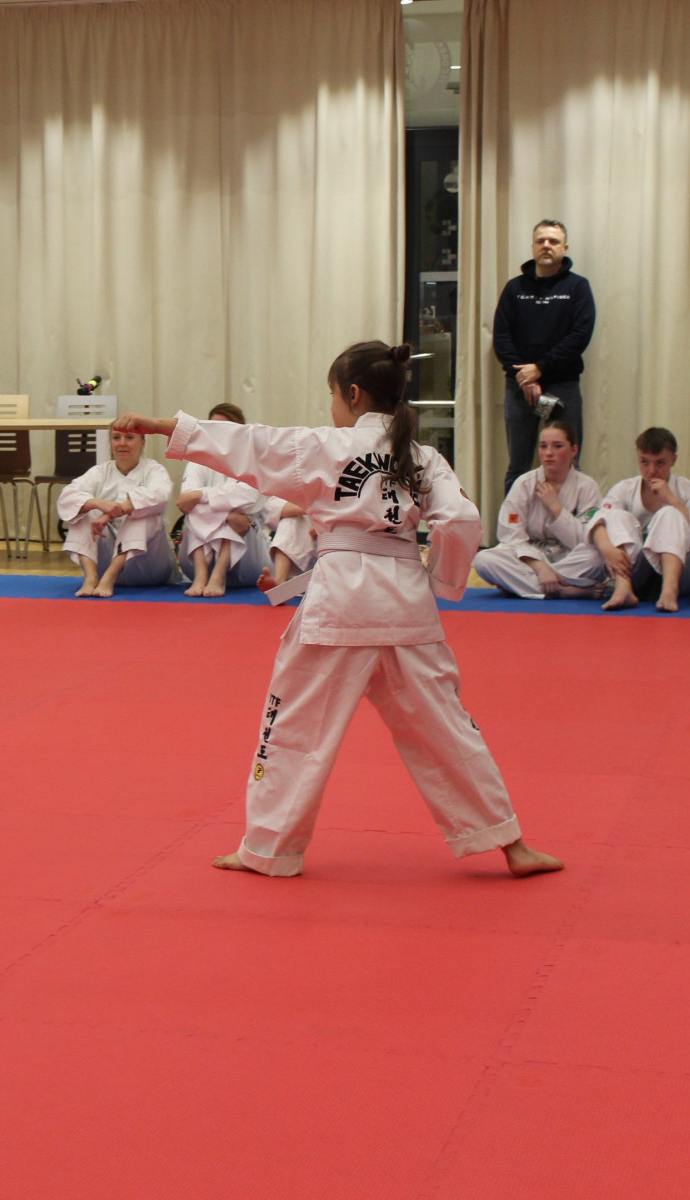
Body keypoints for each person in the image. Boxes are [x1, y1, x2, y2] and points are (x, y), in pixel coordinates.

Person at [113, 341, 562, 880]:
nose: (331, 406)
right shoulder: (424, 456)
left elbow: (248, 444)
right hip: (408, 608)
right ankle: (509, 842)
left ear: (352, 394)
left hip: (340, 604)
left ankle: (269, 850)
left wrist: (163, 426)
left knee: (295, 727)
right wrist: (443, 582)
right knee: (448, 728)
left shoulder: (325, 446)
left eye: (332, 394)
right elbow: (463, 521)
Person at [493, 220, 595, 493]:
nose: (546, 246)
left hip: (562, 387)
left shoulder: (578, 287)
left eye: (553, 241)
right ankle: (515, 520)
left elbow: (579, 336)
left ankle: (568, 520)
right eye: (541, 241)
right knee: (518, 466)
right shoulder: (515, 289)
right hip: (520, 388)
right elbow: (501, 337)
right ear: (533, 246)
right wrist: (525, 377)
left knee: (566, 463)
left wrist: (539, 368)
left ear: (565, 248)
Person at [569, 427, 690, 613]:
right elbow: (599, 519)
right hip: (636, 573)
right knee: (616, 515)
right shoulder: (625, 489)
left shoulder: (689, 490)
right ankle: (623, 588)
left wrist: (672, 500)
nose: (651, 471)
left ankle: (669, 591)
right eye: (645, 462)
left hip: (683, 575)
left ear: (673, 460)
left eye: (660, 463)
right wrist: (607, 548)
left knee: (670, 513)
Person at [472, 417, 603, 599]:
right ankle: (563, 590)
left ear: (574, 450)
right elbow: (511, 535)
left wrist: (556, 508)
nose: (548, 453)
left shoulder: (587, 487)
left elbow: (584, 539)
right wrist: (539, 567)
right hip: (532, 558)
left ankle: (527, 586)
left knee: (596, 557)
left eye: (557, 446)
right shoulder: (524, 484)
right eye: (543, 446)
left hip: (568, 557)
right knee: (484, 560)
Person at [56, 428, 175, 598]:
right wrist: (97, 503)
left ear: (143, 442)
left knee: (142, 511)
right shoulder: (100, 472)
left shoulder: (154, 470)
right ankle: (91, 577)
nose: (122, 443)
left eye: (129, 437)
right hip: (104, 564)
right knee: (83, 510)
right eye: (116, 437)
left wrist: (110, 514)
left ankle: (110, 577)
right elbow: (67, 497)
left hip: (150, 567)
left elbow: (159, 495)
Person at [175, 404, 272, 597]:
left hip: (249, 564)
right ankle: (201, 575)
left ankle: (218, 574)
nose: (217, 432)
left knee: (236, 516)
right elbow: (185, 500)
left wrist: (202, 496)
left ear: (240, 432)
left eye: (224, 428)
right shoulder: (197, 459)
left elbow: (247, 497)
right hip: (198, 559)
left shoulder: (252, 461)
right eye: (211, 427)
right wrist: (214, 503)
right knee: (197, 508)